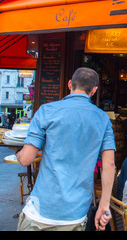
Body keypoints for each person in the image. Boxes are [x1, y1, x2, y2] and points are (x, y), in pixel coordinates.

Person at [16, 67, 116, 231]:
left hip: (40, 211)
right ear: (94, 91)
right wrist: (104, 205)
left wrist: (19, 154)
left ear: (70, 84)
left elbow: (26, 159)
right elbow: (109, 164)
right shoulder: (103, 119)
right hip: (75, 214)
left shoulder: (46, 111)